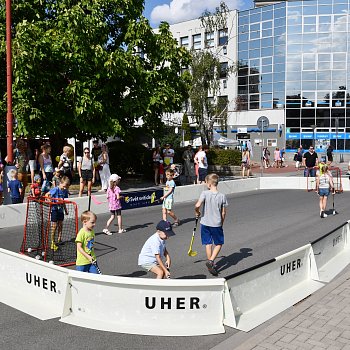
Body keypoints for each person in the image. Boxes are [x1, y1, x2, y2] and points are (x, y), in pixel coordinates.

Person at [194, 173, 228, 276]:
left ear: (209, 184)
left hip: (205, 223)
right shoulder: (222, 196)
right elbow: (223, 212)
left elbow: (197, 205)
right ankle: (211, 261)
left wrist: (197, 212)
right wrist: (222, 222)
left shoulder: (204, 193)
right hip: (216, 223)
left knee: (208, 243)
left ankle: (210, 263)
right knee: (219, 243)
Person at [46, 176, 70, 251]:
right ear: (60, 183)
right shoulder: (55, 189)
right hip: (54, 210)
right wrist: (50, 200)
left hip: (60, 210)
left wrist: (65, 210)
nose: (65, 188)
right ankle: (52, 241)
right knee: (54, 226)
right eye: (64, 186)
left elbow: (63, 201)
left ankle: (59, 239)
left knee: (60, 224)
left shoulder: (64, 191)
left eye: (67, 186)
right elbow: (47, 195)